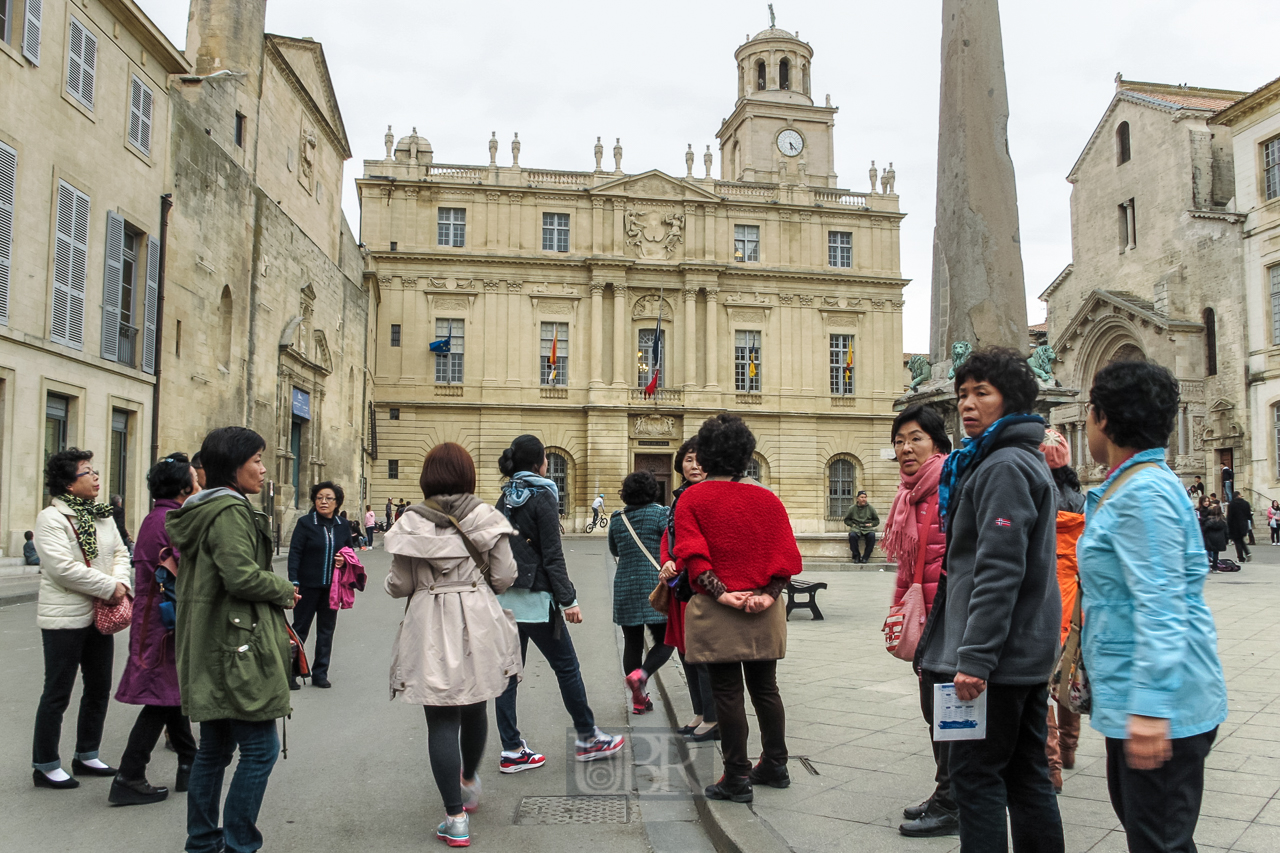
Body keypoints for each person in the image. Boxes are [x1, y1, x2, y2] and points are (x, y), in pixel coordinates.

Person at [916, 346, 1064, 853]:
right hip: (1021, 654)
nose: (969, 404)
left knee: (975, 779)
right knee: (1026, 777)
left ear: (1011, 399)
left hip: (997, 661)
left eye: (983, 392)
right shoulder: (1014, 458)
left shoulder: (1002, 465)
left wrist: (975, 658)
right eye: (963, 394)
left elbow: (998, 570)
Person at [1079, 359, 1228, 853]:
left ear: (1102, 418)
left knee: (1159, 843)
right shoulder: (1130, 487)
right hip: (1138, 698)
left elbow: (1162, 606)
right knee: (1157, 839)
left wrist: (1148, 708)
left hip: (1162, 704)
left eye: (1088, 411)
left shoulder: (1143, 494)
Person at [384, 442, 522, 848]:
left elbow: (400, 584)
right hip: (477, 617)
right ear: (468, 475)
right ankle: (468, 780)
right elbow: (505, 575)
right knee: (476, 702)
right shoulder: (484, 515)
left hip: (429, 618)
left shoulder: (411, 520)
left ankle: (455, 818)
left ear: (428, 476)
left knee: (441, 717)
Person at [169, 426, 298, 853]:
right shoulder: (228, 510)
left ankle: (203, 842)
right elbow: (239, 575)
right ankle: (239, 843)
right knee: (260, 751)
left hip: (215, 643)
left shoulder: (207, 507)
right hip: (234, 646)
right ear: (233, 466)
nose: (263, 469)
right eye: (257, 461)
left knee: (215, 750)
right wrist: (283, 590)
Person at [674, 413, 803, 804]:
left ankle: (737, 777)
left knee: (727, 692)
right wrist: (768, 594)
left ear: (707, 455)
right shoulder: (767, 498)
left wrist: (722, 593)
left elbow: (692, 556)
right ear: (746, 454)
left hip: (718, 610)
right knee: (766, 688)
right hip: (765, 609)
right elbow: (787, 556)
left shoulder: (691, 499)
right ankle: (776, 765)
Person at [493, 434, 623, 772]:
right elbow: (552, 555)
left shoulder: (504, 498)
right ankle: (587, 736)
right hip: (537, 600)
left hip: (505, 599)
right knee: (566, 667)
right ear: (539, 463)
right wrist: (570, 600)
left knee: (508, 675)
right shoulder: (542, 496)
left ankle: (510, 749)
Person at [30, 448, 133, 789]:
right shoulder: (51, 518)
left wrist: (121, 582)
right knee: (57, 692)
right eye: (87, 472)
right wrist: (110, 587)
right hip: (65, 618)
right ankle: (45, 764)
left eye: (95, 471)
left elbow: (121, 552)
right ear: (69, 484)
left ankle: (87, 753)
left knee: (99, 687)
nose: (96, 477)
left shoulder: (102, 515)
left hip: (99, 616)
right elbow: (62, 568)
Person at [880, 405, 954, 838]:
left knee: (949, 714)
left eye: (915, 438)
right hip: (924, 623)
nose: (905, 448)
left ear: (937, 444)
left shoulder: (948, 487)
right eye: (899, 440)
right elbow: (909, 566)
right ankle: (945, 789)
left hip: (947, 623)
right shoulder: (909, 495)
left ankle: (953, 801)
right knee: (934, 711)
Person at [111, 454, 201, 806]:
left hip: (159, 620)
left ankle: (188, 762)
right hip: (164, 622)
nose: (199, 483)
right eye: (194, 479)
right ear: (183, 487)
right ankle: (129, 775)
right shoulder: (170, 520)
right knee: (161, 697)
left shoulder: (158, 517)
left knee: (169, 694)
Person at [659, 438, 718, 742]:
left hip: (699, 584)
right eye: (689, 460)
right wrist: (667, 561)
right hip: (679, 585)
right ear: (680, 464)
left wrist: (678, 562)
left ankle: (713, 717)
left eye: (701, 460)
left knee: (702, 653)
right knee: (685, 651)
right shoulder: (679, 496)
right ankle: (700, 712)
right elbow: (669, 536)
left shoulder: (710, 495)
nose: (695, 466)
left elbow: (704, 542)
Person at [1038, 429, 1087, 795]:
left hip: (1044, 593)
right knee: (1067, 672)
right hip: (1074, 594)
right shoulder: (1081, 497)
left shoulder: (1038, 495)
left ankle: (1051, 767)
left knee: (1040, 684)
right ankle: (1068, 750)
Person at [608, 471, 674, 714]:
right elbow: (670, 544)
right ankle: (643, 675)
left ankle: (639, 700)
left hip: (625, 585)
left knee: (632, 643)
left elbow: (614, 548)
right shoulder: (661, 513)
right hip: (654, 586)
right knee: (667, 640)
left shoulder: (617, 518)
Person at [286, 481, 354, 690]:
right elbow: (295, 553)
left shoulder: (343, 525)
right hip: (307, 586)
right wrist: (294, 581)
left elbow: (350, 552)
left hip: (332, 588)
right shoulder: (306, 523)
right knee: (300, 630)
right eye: (319, 498)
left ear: (337, 502)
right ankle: (291, 674)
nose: (323, 502)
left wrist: (343, 559)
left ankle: (320, 673)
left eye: (328, 498)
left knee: (326, 631)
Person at [843, 491, 880, 563]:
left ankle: (865, 557)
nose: (864, 499)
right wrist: (852, 525)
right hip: (856, 528)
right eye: (862, 497)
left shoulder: (871, 508)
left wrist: (871, 524)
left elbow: (876, 521)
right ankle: (856, 556)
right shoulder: (852, 508)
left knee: (871, 536)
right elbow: (846, 520)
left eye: (865, 497)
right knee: (852, 536)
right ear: (857, 499)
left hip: (867, 528)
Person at [1226, 491, 1252, 563]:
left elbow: (1229, 517)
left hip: (1234, 526)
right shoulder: (1246, 503)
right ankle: (1247, 552)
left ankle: (1240, 558)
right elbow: (1249, 515)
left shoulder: (1232, 504)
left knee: (1237, 541)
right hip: (1243, 524)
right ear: (1239, 495)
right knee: (1241, 540)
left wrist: (1228, 526)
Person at [1202, 505, 1227, 571]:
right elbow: (1226, 530)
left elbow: (1205, 529)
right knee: (1216, 553)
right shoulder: (1222, 520)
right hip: (1219, 538)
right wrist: (1226, 539)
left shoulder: (1209, 520)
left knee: (1207, 551)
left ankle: (1206, 565)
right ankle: (1215, 567)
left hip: (1210, 537)